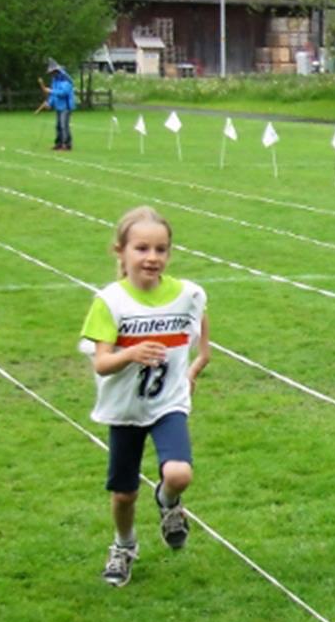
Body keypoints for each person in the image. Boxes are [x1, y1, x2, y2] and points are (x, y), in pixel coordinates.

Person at [80, 206, 210, 587]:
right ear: (120, 252)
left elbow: (202, 340)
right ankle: (124, 545)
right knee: (124, 495)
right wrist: (131, 354)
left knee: (179, 473)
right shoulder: (110, 302)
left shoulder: (188, 294)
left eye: (160, 249)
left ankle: (168, 502)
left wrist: (192, 371)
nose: (152, 258)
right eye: (141, 249)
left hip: (168, 404)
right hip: (124, 409)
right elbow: (102, 364)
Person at [37, 58, 76, 150]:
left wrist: (50, 91)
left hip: (66, 107)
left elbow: (63, 93)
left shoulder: (66, 80)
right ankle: (58, 143)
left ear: (56, 71)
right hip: (58, 106)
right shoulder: (55, 80)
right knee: (58, 126)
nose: (51, 75)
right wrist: (50, 103)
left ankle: (66, 145)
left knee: (64, 125)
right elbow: (53, 95)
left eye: (52, 73)